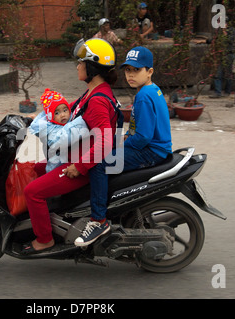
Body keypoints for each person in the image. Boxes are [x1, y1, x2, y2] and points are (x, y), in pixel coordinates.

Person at [21, 38, 120, 254]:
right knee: (34, 168)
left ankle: (45, 238)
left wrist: (80, 166)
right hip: (75, 156)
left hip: (84, 166)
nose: (77, 66)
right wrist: (31, 119)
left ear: (92, 67)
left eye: (81, 63)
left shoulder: (97, 100)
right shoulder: (91, 93)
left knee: (32, 192)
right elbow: (66, 112)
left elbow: (105, 141)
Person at [74, 46, 172, 247]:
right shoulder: (152, 90)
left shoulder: (144, 96)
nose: (131, 75)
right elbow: (139, 130)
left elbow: (143, 137)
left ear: (150, 71)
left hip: (150, 151)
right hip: (155, 147)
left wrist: (122, 144)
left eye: (136, 70)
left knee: (100, 163)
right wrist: (123, 138)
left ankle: (98, 221)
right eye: (128, 70)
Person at [29, 88, 89, 174]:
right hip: (55, 165)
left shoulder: (69, 120)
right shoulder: (51, 129)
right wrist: (80, 124)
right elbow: (65, 137)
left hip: (67, 161)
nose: (63, 115)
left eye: (65, 110)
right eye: (57, 113)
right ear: (50, 117)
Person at [209, 17, 235, 98]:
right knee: (217, 73)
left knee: (228, 74)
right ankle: (218, 92)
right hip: (219, 54)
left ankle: (227, 91)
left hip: (228, 54)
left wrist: (224, 31)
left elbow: (230, 40)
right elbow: (214, 40)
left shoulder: (231, 30)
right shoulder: (218, 32)